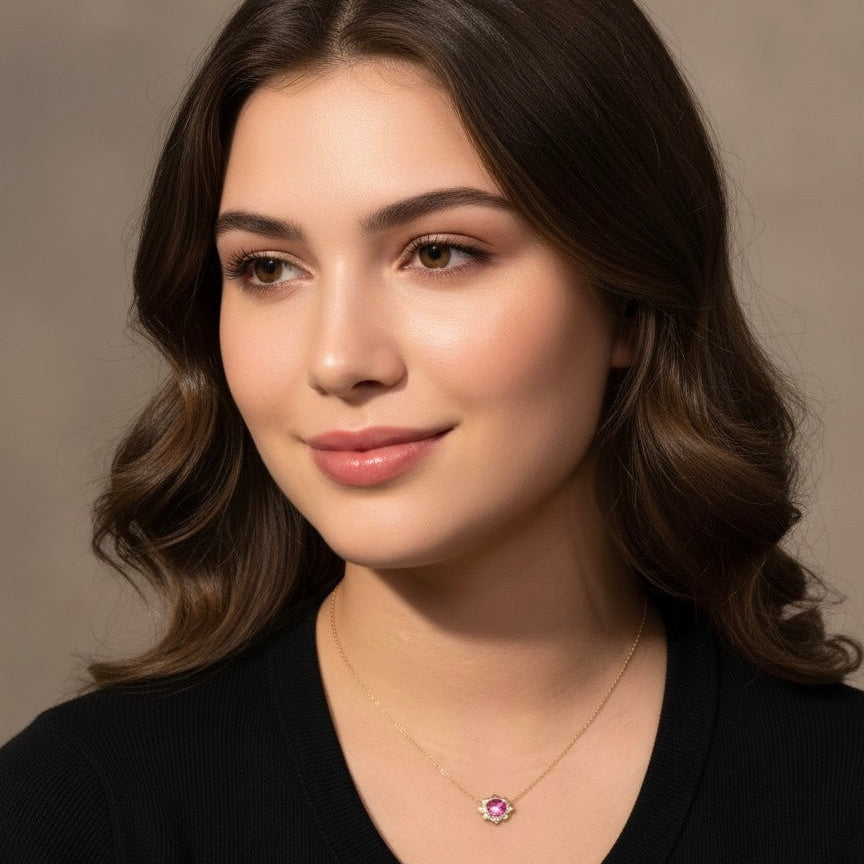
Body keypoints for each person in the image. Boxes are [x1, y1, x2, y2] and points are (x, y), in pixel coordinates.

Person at [1, 0, 863, 861]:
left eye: (439, 252)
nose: (339, 360)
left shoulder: (837, 793)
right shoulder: (71, 812)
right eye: (267, 268)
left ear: (631, 300)